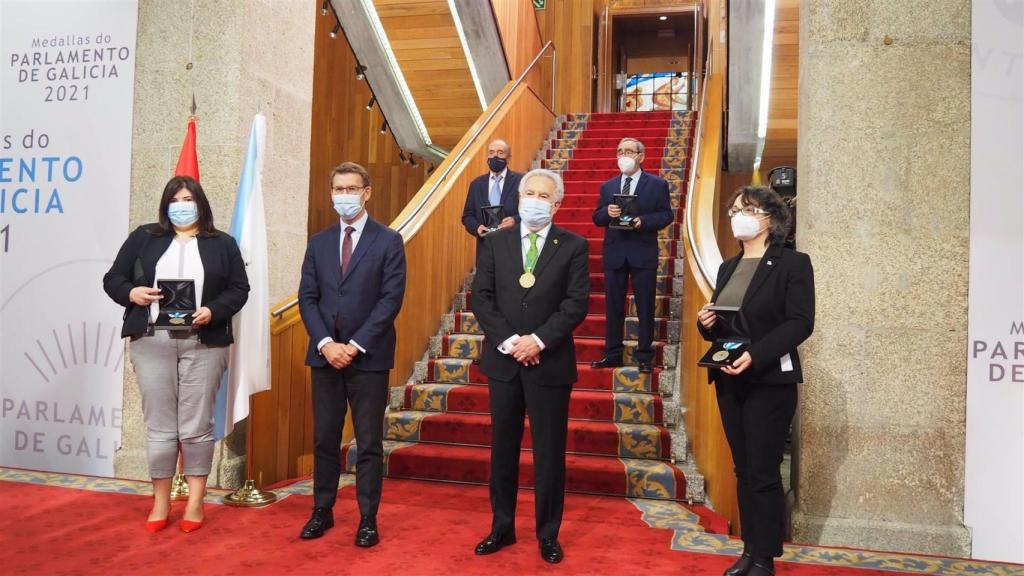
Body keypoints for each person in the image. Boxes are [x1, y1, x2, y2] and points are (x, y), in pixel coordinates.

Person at [102, 175, 250, 533]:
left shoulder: (222, 244)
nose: (182, 204)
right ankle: (160, 501)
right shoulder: (144, 237)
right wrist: (132, 293)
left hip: (204, 341)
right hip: (152, 340)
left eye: (189, 198)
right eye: (176, 199)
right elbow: (113, 278)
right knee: (160, 425)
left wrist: (213, 310)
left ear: (201, 202)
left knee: (197, 425)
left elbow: (240, 288)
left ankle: (196, 503)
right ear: (166, 204)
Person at [470, 168, 590, 564]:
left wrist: (537, 340)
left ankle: (547, 534)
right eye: (529, 193)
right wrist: (510, 342)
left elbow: (575, 303)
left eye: (544, 196)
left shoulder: (573, 245)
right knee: (502, 448)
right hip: (503, 362)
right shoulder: (496, 242)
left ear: (556, 204)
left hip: (549, 362)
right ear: (518, 198)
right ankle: (501, 527)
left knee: (549, 452)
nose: (535, 201)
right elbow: (482, 298)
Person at [697, 186, 814, 576]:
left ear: (769, 218)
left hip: (768, 380)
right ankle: (749, 550)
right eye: (733, 209)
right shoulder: (727, 267)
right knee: (743, 469)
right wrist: (706, 325)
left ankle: (765, 557)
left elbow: (800, 322)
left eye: (745, 209)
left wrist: (756, 354)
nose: (736, 216)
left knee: (764, 471)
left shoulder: (793, 264)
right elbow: (727, 325)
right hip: (730, 379)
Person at [297, 161, 407, 547]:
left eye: (351, 188)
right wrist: (327, 343)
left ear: (367, 192)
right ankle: (322, 511)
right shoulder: (319, 241)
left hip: (368, 358)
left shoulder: (388, 240)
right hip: (324, 356)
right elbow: (307, 298)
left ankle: (367, 518)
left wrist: (355, 345)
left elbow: (390, 300)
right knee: (325, 439)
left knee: (368, 442)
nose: (344, 195)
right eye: (338, 189)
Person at [591, 137, 673, 373]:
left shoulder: (657, 185)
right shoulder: (607, 187)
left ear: (641, 156)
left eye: (629, 151)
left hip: (642, 253)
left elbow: (666, 215)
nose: (623, 155)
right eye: (620, 151)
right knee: (613, 306)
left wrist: (643, 221)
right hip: (615, 253)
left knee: (645, 306)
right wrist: (606, 212)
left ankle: (645, 355)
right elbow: (597, 218)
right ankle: (613, 353)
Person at [461, 139, 522, 249]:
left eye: (500, 153)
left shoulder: (521, 181)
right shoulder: (476, 184)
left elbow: (528, 213)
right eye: (491, 152)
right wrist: (477, 227)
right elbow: (467, 216)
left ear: (508, 158)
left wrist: (515, 220)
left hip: (513, 247)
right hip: (485, 248)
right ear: (487, 157)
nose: (495, 156)